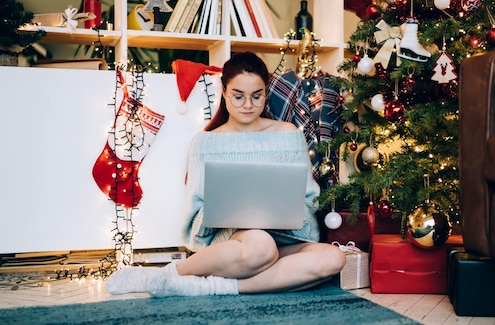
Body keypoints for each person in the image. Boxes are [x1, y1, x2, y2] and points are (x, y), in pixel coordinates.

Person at [106, 52, 346, 296]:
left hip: (286, 238)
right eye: (238, 96)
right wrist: (232, 217)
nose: (248, 105)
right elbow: (195, 214)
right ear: (224, 91)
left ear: (266, 92)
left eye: (257, 96)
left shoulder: (288, 134)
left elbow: (310, 199)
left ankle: (213, 287)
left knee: (333, 258)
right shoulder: (206, 141)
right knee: (260, 246)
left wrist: (286, 215)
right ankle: (169, 274)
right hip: (235, 243)